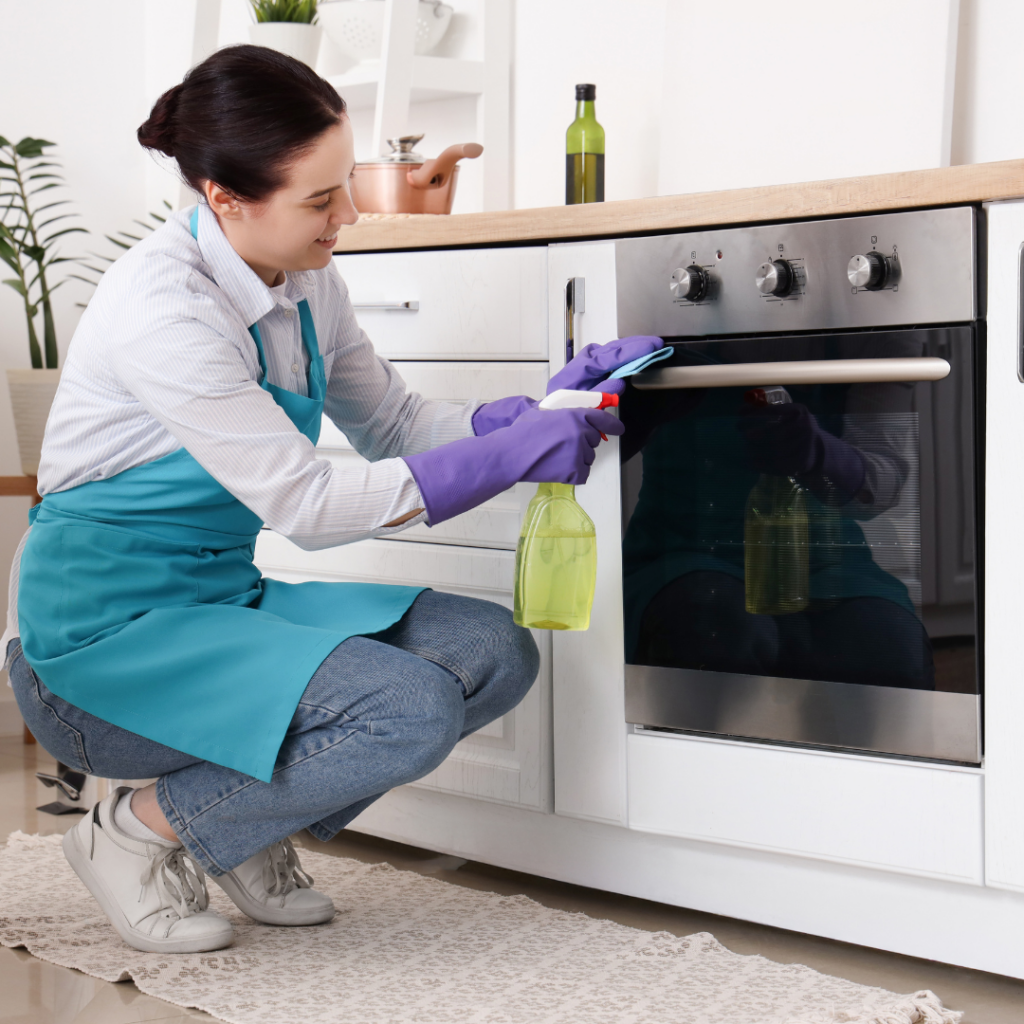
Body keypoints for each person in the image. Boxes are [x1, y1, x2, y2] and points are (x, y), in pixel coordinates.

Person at [5, 45, 660, 954]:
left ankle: (239, 826)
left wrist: (531, 415)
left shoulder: (306, 278)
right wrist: (506, 458)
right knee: (409, 706)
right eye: (320, 200)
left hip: (219, 604)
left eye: (344, 184)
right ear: (225, 198)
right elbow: (308, 508)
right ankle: (134, 832)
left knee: (491, 652)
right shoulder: (165, 309)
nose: (348, 215)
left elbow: (393, 421)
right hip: (98, 649)